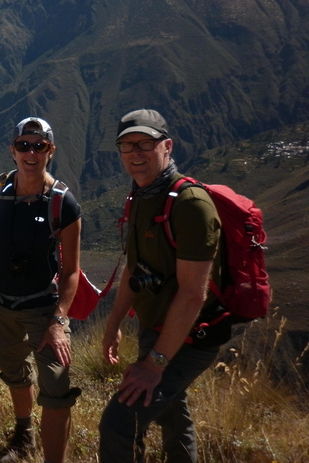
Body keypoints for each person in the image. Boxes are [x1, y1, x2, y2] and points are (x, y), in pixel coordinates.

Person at [99, 109, 223, 462]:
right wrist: (114, 324)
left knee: (119, 423)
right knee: (172, 413)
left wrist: (153, 366)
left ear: (167, 146)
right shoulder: (141, 195)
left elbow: (192, 293)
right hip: (157, 329)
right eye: (127, 145)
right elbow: (133, 269)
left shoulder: (191, 205)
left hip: (190, 335)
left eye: (145, 143)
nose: (135, 153)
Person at [0, 117, 82, 463]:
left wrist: (58, 322)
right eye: (23, 145)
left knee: (56, 386)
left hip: (43, 308)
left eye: (38, 146)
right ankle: (24, 436)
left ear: (50, 151)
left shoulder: (63, 203)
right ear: (12, 151)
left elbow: (72, 271)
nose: (30, 152)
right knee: (14, 373)